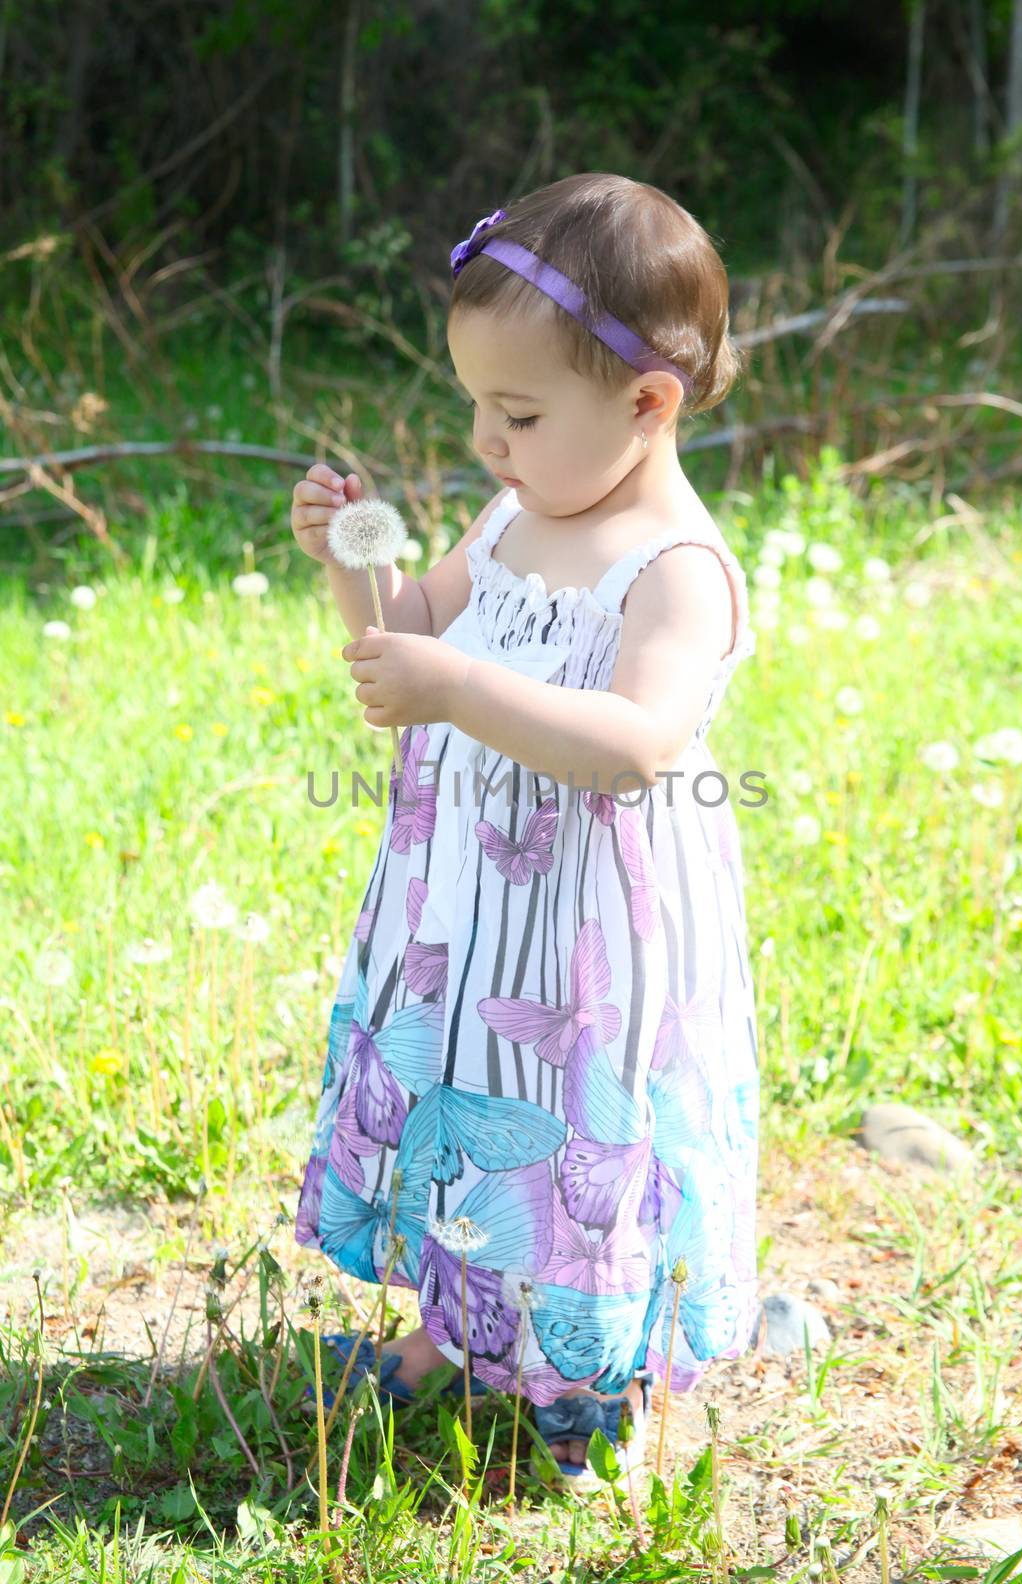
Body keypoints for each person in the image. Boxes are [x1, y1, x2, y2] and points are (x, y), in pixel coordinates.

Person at [290, 171, 760, 1490]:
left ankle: (592, 1389)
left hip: (595, 945)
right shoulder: (513, 515)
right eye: (476, 410)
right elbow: (411, 637)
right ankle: (468, 1331)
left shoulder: (674, 571)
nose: (488, 444)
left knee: (573, 1136)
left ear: (648, 403)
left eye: (520, 412)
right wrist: (353, 546)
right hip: (476, 918)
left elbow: (634, 745)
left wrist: (456, 692)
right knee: (474, 1107)